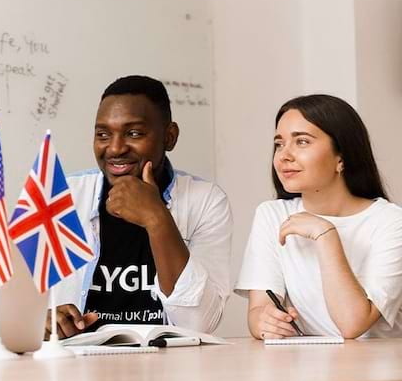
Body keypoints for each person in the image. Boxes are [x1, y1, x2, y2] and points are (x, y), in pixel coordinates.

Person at [48, 75, 232, 338]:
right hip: (81, 361)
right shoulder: (64, 196)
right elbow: (16, 302)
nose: (115, 148)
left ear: (169, 137)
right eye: (103, 134)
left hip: (170, 363)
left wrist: (156, 218)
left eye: (134, 133)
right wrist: (43, 319)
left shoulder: (206, 200)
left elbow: (198, 324)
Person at [235, 94, 402, 339]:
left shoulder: (391, 222)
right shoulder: (272, 215)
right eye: (279, 144)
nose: (284, 156)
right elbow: (259, 309)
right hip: (309, 369)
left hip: (381, 371)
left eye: (301, 142)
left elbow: (353, 324)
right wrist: (264, 321)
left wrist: (326, 236)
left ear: (341, 156)